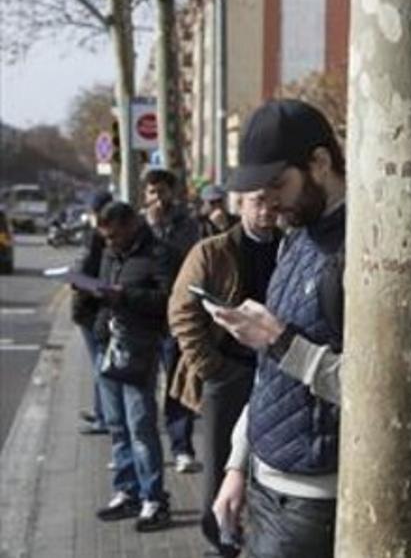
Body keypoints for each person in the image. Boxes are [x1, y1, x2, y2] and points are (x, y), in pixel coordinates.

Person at [207, 99, 347, 557]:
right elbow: (270, 374)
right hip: (267, 482)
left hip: (312, 501)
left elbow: (380, 394)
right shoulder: (296, 236)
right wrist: (237, 466)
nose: (269, 200)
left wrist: (280, 340)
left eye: (277, 184)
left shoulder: (364, 247)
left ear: (320, 164)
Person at [167, 188, 281, 552]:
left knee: (271, 466)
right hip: (229, 373)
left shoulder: (291, 246)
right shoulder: (212, 251)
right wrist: (211, 368)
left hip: (278, 370)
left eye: (272, 204)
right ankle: (220, 542)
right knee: (220, 465)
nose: (266, 212)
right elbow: (182, 311)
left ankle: (258, 539)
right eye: (257, 202)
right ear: (240, 204)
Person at [90, 201, 174, 531]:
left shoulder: (159, 253)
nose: (109, 243)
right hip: (108, 344)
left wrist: (125, 296)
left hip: (140, 347)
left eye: (113, 236)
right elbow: (102, 290)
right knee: (116, 424)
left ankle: (154, 498)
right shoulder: (111, 253)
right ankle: (128, 491)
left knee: (140, 425)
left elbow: (168, 301)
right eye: (105, 237)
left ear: (131, 225)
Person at [142, 168, 203, 473]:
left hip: (173, 316)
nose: (157, 198)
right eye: (152, 192)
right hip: (142, 315)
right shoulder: (138, 224)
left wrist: (159, 231)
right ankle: (140, 451)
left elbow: (188, 258)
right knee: (140, 387)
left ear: (172, 193)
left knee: (176, 383)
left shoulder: (186, 225)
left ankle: (182, 447)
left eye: (162, 191)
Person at [71, 189, 113, 435]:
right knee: (98, 364)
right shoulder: (94, 236)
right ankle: (101, 412)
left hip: (94, 309)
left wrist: (78, 280)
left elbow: (98, 275)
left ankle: (105, 416)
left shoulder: (103, 239)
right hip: (87, 309)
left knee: (100, 365)